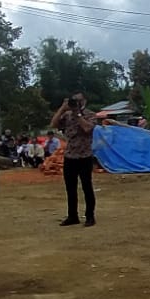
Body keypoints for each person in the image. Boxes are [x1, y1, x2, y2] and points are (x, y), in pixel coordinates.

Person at [53, 93, 97, 226]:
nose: (76, 103)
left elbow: (87, 128)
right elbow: (53, 124)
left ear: (84, 101)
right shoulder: (67, 116)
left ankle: (90, 216)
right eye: (74, 101)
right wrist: (62, 108)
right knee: (70, 188)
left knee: (87, 187)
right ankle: (72, 216)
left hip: (84, 156)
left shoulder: (90, 114)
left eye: (78, 100)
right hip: (70, 156)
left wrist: (78, 114)